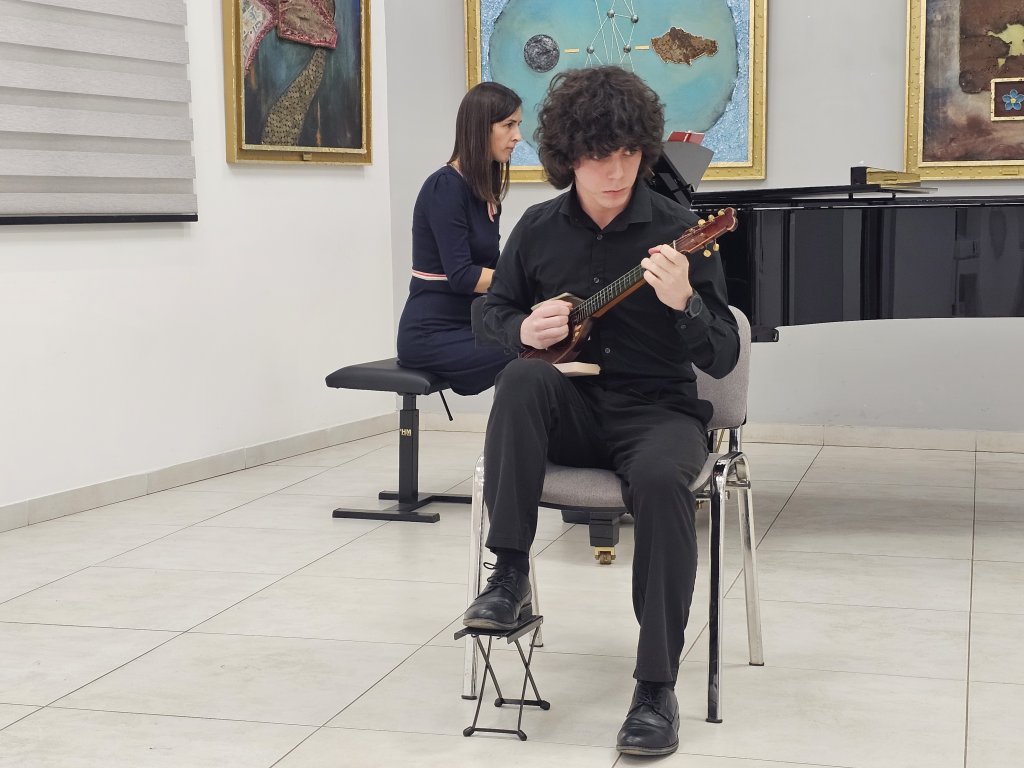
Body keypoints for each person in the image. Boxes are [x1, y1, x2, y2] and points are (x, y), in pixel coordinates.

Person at [463, 66, 740, 756]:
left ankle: (655, 690)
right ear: (568, 157)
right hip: (571, 409)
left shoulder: (680, 230)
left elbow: (724, 353)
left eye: (628, 154)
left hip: (658, 413)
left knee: (661, 484)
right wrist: (521, 327)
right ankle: (510, 575)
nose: (616, 172)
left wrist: (686, 304)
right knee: (520, 380)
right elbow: (489, 312)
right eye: (597, 156)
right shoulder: (538, 228)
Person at [396, 82, 522, 395]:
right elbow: (463, 276)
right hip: (430, 334)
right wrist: (525, 283)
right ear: (481, 128)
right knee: (531, 349)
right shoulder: (445, 187)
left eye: (517, 125)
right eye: (508, 125)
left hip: (470, 325)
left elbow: (494, 268)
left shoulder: (484, 191)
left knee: (546, 341)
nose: (517, 136)